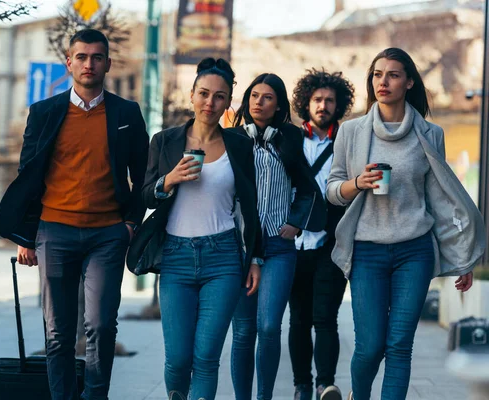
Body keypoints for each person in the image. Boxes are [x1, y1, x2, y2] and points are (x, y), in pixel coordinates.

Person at [0, 28, 149, 400]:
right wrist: (25, 238)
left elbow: (143, 174)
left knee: (100, 326)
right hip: (55, 232)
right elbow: (29, 177)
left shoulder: (126, 113)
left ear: (108, 64)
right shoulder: (45, 113)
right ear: (69, 63)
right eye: (81, 57)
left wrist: (129, 224)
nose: (89, 64)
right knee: (58, 333)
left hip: (107, 234)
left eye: (97, 57)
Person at [326, 47, 485, 400]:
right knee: (369, 346)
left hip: (414, 251)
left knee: (399, 345)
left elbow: (442, 201)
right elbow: (332, 190)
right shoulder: (351, 132)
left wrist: (463, 256)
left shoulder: (430, 134)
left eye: (393, 74)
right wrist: (357, 184)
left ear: (409, 82)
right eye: (377, 74)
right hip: (367, 250)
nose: (383, 81)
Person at [140, 57, 263, 400]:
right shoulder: (164, 141)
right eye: (204, 94)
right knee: (178, 358)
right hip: (176, 257)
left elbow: (251, 208)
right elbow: (146, 195)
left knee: (206, 358)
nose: (210, 103)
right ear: (192, 94)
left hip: (223, 257)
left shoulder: (239, 144)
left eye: (219, 96)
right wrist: (169, 180)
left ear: (228, 102)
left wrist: (255, 258)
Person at [228, 73, 326, 400]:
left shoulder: (291, 138)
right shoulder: (231, 139)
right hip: (241, 249)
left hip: (279, 247)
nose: (259, 101)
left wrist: (296, 222)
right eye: (254, 95)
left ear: (278, 105)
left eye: (267, 97)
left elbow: (307, 187)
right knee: (243, 331)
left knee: (269, 327)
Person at [288, 69, 355, 400]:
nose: (323, 105)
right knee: (298, 319)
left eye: (330, 100)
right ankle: (301, 384)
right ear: (306, 102)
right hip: (293, 244)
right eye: (317, 99)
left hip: (331, 244)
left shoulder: (347, 141)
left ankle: (324, 384)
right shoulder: (288, 138)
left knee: (326, 318)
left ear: (338, 105)